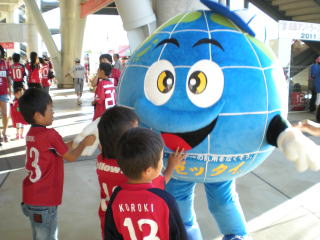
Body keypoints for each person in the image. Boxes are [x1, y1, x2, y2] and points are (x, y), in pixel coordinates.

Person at [97, 106, 186, 239]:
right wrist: (171, 166)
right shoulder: (138, 170)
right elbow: (161, 181)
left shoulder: (101, 160)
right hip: (137, 225)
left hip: (113, 222)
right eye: (135, 130)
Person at [19, 88, 96, 240]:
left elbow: (59, 147)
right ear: (38, 115)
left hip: (30, 198)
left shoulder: (31, 134)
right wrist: (84, 144)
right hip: (44, 200)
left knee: (39, 235)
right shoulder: (50, 135)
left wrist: (77, 141)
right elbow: (72, 157)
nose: (53, 112)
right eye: (50, 109)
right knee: (48, 237)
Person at [0, 45, 11, 144]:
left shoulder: (5, 63)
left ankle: (4, 131)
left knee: (6, 114)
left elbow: (8, 77)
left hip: (4, 92)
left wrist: (11, 92)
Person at [311, 56, 320, 122]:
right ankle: (317, 115)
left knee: (318, 100)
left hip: (318, 85)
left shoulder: (315, 66)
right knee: (318, 100)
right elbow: (313, 75)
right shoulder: (315, 66)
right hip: (318, 85)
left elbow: (313, 76)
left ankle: (317, 115)